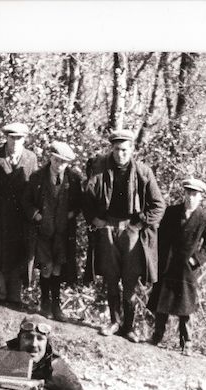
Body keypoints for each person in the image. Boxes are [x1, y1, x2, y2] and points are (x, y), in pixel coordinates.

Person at [83, 128, 165, 341]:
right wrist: (95, 219)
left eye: (125, 150)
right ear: (112, 148)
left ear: (132, 150)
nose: (121, 154)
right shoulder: (100, 168)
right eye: (118, 149)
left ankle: (128, 327)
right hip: (108, 227)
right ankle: (114, 322)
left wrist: (139, 224)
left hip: (132, 230)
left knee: (130, 280)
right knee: (111, 278)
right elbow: (87, 199)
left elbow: (159, 206)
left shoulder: (143, 172)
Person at [147, 178, 206, 356]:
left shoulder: (204, 219)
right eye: (188, 194)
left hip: (187, 268)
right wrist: (159, 258)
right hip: (167, 265)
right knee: (161, 303)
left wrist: (197, 260)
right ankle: (157, 336)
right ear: (184, 194)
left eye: (194, 195)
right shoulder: (171, 212)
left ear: (200, 197)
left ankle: (187, 343)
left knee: (185, 307)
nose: (190, 198)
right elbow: (160, 236)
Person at [24, 141, 83, 322]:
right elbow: (26, 201)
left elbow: (80, 201)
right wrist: (36, 215)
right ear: (50, 158)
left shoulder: (73, 179)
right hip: (43, 231)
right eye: (56, 160)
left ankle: (56, 306)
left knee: (58, 266)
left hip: (62, 233)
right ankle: (45, 303)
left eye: (63, 162)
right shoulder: (37, 177)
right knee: (47, 267)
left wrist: (73, 213)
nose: (59, 165)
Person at [0, 123, 39, 309]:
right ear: (6, 137)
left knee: (18, 254)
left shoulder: (30, 158)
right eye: (12, 137)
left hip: (20, 216)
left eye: (19, 138)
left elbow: (35, 187)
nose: (15, 141)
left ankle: (14, 295)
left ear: (25, 139)